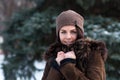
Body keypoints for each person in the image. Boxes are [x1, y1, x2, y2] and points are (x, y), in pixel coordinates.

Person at [41, 10, 107, 80]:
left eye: (73, 32)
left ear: (79, 33)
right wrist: (56, 66)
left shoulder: (92, 53)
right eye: (63, 32)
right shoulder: (54, 55)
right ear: (58, 34)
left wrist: (67, 65)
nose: (68, 37)